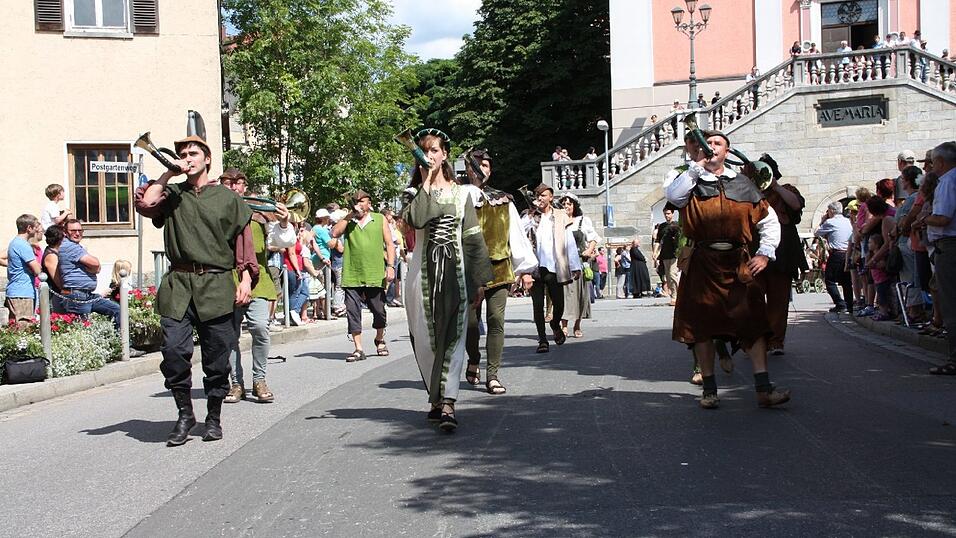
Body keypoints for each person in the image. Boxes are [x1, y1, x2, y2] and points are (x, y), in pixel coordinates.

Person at [135, 130, 258, 447]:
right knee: (174, 353)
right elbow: (146, 204)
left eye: (193, 154)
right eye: (183, 154)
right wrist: (167, 172)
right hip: (179, 283)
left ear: (207, 159)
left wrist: (245, 277)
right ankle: (185, 414)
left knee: (217, 360)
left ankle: (213, 417)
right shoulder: (172, 194)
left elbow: (244, 242)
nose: (187, 159)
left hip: (216, 284)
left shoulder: (228, 198)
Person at [665, 129, 789, 409]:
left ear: (727, 152)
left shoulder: (744, 184)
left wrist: (765, 254)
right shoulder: (689, 181)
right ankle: (709, 390)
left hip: (738, 264)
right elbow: (673, 195)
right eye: (706, 144)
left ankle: (764, 389)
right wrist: (696, 166)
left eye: (717, 144)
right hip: (702, 264)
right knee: (702, 328)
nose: (711, 147)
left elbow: (769, 222)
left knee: (754, 325)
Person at [402, 129, 493, 431]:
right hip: (421, 278)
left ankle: (449, 403)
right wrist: (425, 180)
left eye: (436, 150)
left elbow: (473, 238)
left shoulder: (461, 193)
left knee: (453, 337)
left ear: (445, 155)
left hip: (455, 275)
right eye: (425, 151)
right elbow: (415, 221)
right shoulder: (414, 194)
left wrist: (480, 279)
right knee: (426, 339)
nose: (431, 155)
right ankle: (435, 397)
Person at [459, 148, 537, 395]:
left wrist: (524, 269)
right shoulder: (458, 196)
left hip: (499, 268)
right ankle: (474, 357)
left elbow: (515, 234)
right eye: (479, 165)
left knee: (496, 321)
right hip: (470, 270)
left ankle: (492, 375)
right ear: (469, 169)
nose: (484, 170)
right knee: (470, 324)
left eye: (488, 166)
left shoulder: (503, 199)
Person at [221, 168, 294, 404]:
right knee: (229, 335)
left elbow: (282, 242)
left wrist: (283, 221)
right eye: (228, 183)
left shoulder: (260, 212)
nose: (233, 187)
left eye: (238, 183)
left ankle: (259, 379)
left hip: (257, 277)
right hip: (224, 278)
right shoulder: (215, 209)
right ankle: (236, 383)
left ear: (244, 186)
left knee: (260, 328)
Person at [331, 189, 395, 362]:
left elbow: (389, 244)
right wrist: (350, 214)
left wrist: (390, 266)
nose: (358, 204)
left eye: (361, 201)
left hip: (374, 273)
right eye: (355, 201)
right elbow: (334, 233)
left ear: (369, 203)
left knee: (379, 311)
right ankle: (358, 348)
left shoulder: (379, 219)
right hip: (352, 273)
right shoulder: (348, 221)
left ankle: (380, 338)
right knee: (353, 312)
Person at [754, 154, 808, 354]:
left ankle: (776, 340)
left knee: (779, 299)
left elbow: (796, 205)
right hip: (755, 249)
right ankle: (756, 339)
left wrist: (776, 187)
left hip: (783, 251)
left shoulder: (787, 190)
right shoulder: (751, 192)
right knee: (754, 297)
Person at [523, 183, 582, 353]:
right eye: (538, 195)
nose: (540, 198)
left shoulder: (559, 215)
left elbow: (568, 241)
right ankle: (542, 340)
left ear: (551, 198)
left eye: (544, 195)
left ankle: (555, 323)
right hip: (534, 266)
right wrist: (530, 215)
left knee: (559, 302)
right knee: (537, 305)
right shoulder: (529, 216)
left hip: (553, 266)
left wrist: (574, 265)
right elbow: (519, 234)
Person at [925, 142, 956, 374]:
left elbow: (943, 218)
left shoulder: (947, 181)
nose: (931, 167)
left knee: (951, 302)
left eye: (933, 162)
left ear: (942, 162)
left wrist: (924, 220)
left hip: (949, 245)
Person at [58, 219, 120, 330]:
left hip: (87, 294)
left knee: (117, 310)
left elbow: (97, 266)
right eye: (73, 231)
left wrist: (95, 267)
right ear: (65, 232)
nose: (77, 233)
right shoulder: (69, 246)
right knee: (83, 329)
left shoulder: (76, 246)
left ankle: (119, 342)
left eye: (80, 230)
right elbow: (95, 263)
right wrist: (94, 268)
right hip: (76, 294)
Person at [559, 193, 597, 337]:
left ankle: (577, 324)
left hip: (580, 261)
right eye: (564, 204)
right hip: (564, 262)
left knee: (580, 295)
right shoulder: (558, 221)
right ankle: (564, 325)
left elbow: (593, 238)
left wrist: (589, 250)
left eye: (569, 204)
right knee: (565, 295)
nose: (566, 206)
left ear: (574, 206)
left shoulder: (582, 220)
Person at [816, 202, 854, 313]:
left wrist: (822, 220)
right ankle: (849, 304)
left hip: (837, 253)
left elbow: (817, 233)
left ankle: (840, 304)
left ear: (831, 211)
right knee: (847, 281)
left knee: (829, 280)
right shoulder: (848, 221)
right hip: (848, 252)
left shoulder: (830, 222)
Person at [5, 215, 42, 324]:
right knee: (24, 327)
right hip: (22, 293)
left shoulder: (15, 243)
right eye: (35, 227)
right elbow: (37, 270)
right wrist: (36, 268)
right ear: (29, 228)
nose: (37, 230)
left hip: (16, 291)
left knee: (15, 329)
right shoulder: (23, 245)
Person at [653, 208, 681, 306]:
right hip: (664, 254)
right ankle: (674, 296)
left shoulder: (677, 225)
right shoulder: (662, 226)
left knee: (672, 274)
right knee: (668, 278)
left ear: (672, 214)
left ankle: (679, 295)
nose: (667, 215)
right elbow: (658, 240)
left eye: (668, 213)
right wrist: (655, 252)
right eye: (665, 214)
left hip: (674, 254)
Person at [41, 225, 66, 314]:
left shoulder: (57, 253)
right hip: (55, 296)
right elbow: (57, 279)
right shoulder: (51, 255)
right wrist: (67, 292)